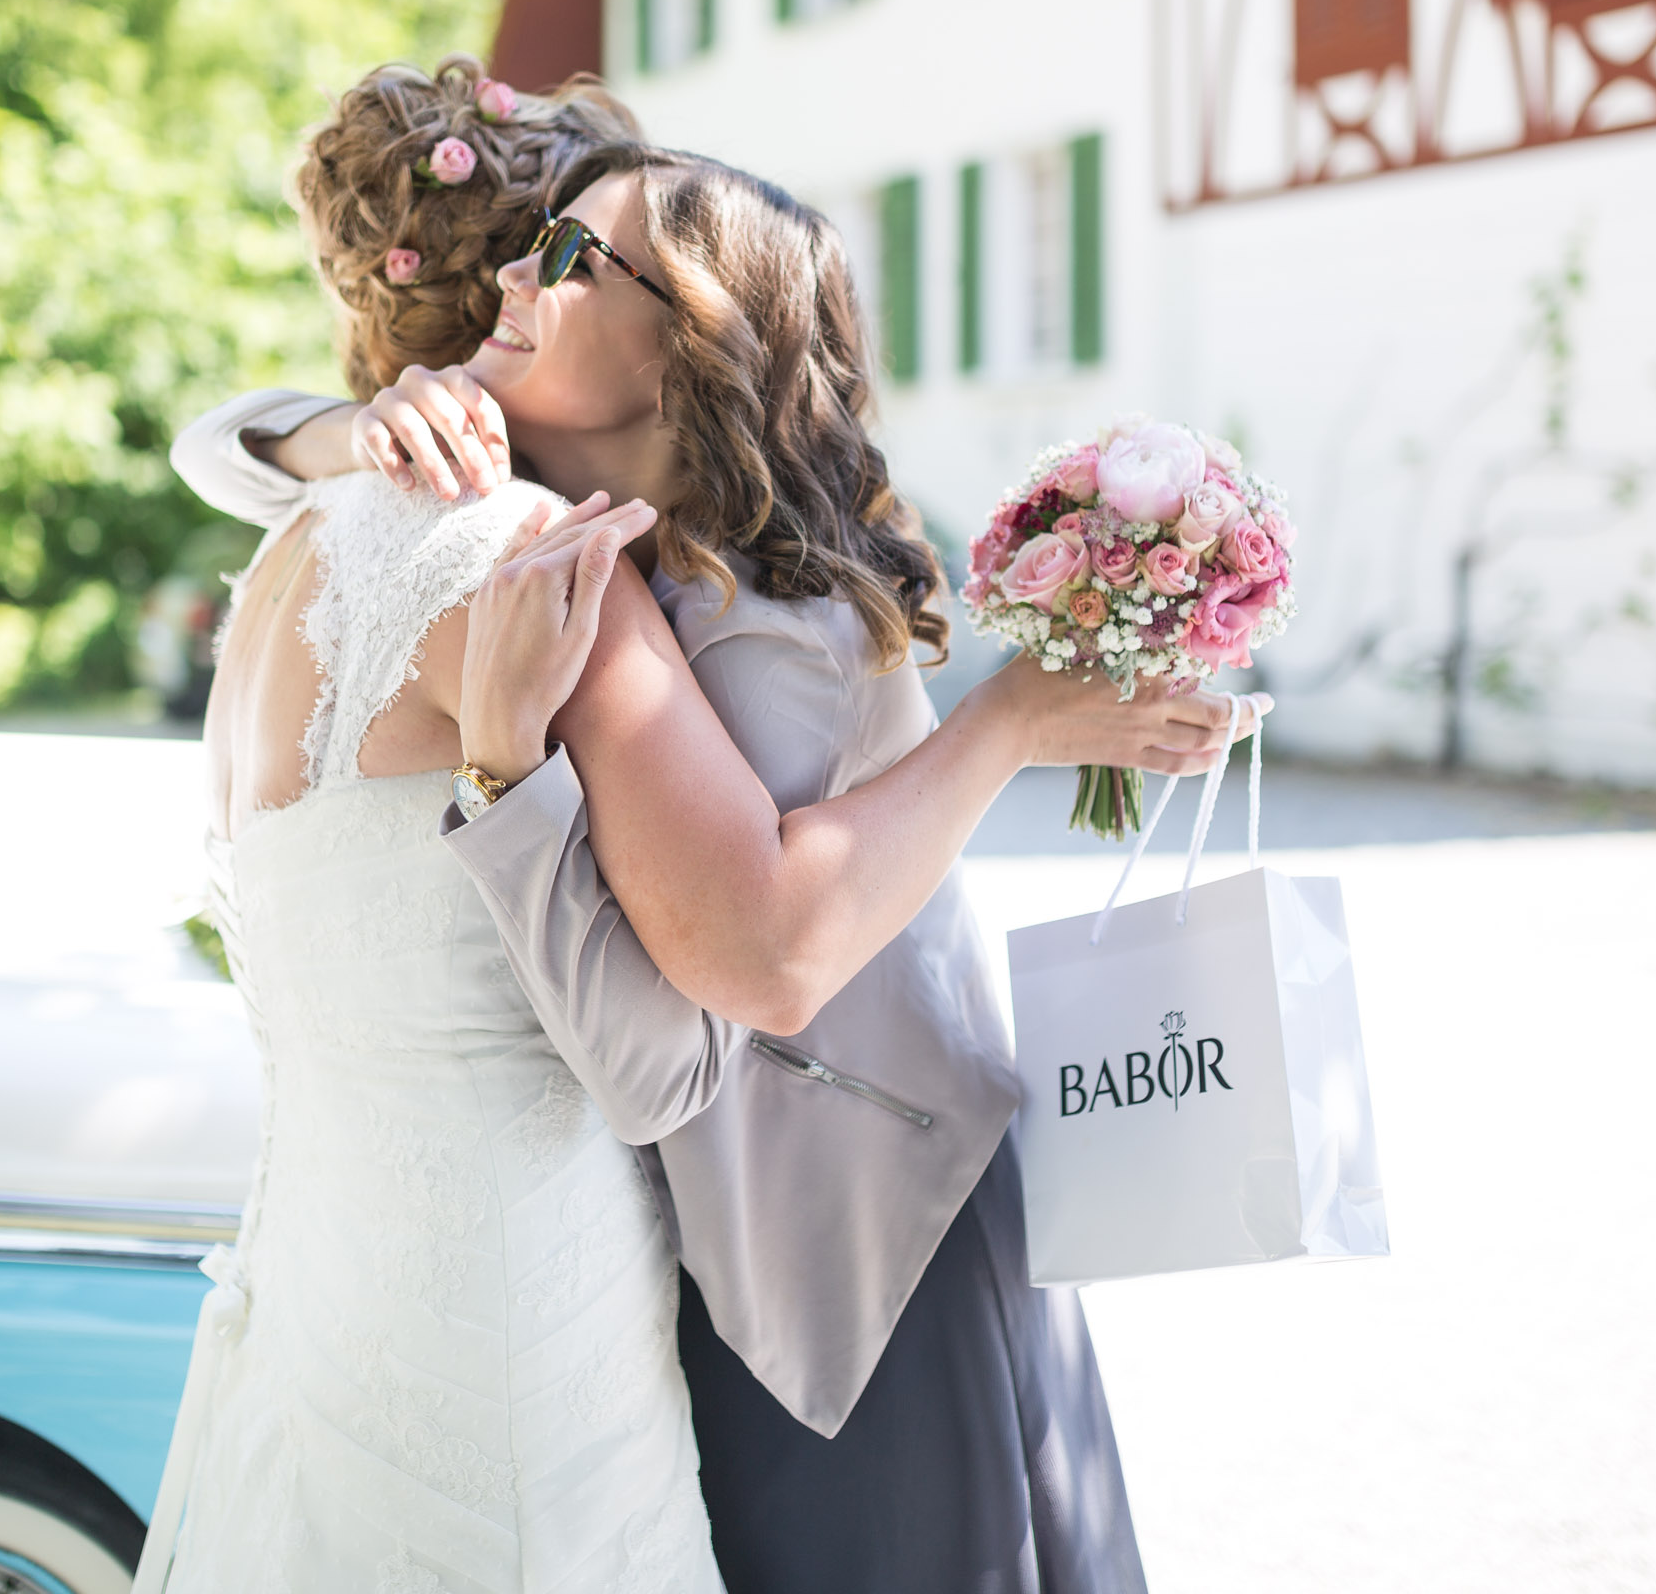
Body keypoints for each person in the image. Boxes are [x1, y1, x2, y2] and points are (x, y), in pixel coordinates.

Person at [171, 118, 1264, 1590]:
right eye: (516, 244)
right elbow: (733, 970)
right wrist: (339, 426)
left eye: (566, 252)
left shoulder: (751, 579)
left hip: (864, 1227)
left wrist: (1008, 723)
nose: (513, 277)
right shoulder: (538, 552)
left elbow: (770, 955)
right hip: (664, 1261)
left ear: (700, 335)